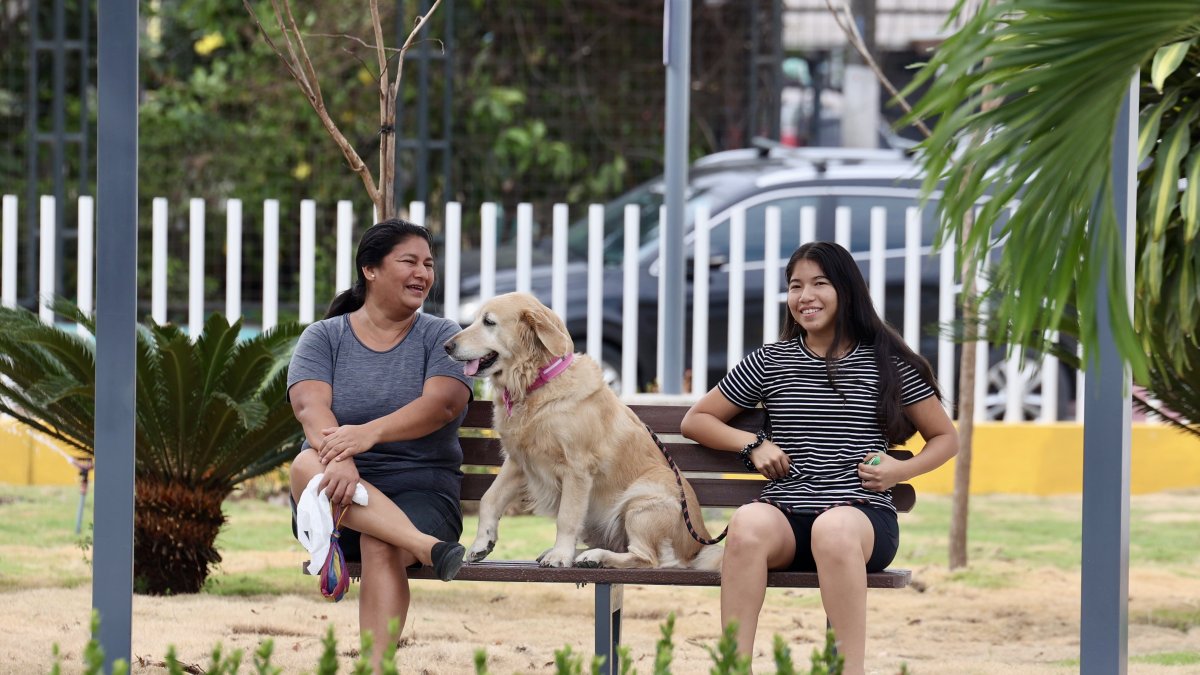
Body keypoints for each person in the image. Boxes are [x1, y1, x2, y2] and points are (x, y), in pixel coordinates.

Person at [680, 241, 958, 675]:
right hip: (787, 516)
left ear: (846, 291)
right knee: (748, 524)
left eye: (819, 283)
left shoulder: (888, 364)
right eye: (795, 286)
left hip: (859, 519)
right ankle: (734, 668)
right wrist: (753, 446)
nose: (804, 296)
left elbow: (945, 437)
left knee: (833, 528)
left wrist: (902, 470)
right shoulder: (771, 361)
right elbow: (697, 420)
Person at [286, 218, 472, 670]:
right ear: (370, 269)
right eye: (409, 261)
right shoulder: (325, 337)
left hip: (423, 495)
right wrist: (343, 456)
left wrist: (367, 434)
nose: (423, 273)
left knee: (379, 540)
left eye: (428, 263)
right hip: (338, 493)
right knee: (305, 463)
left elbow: (443, 406)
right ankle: (428, 549)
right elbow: (311, 409)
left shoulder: (440, 336)